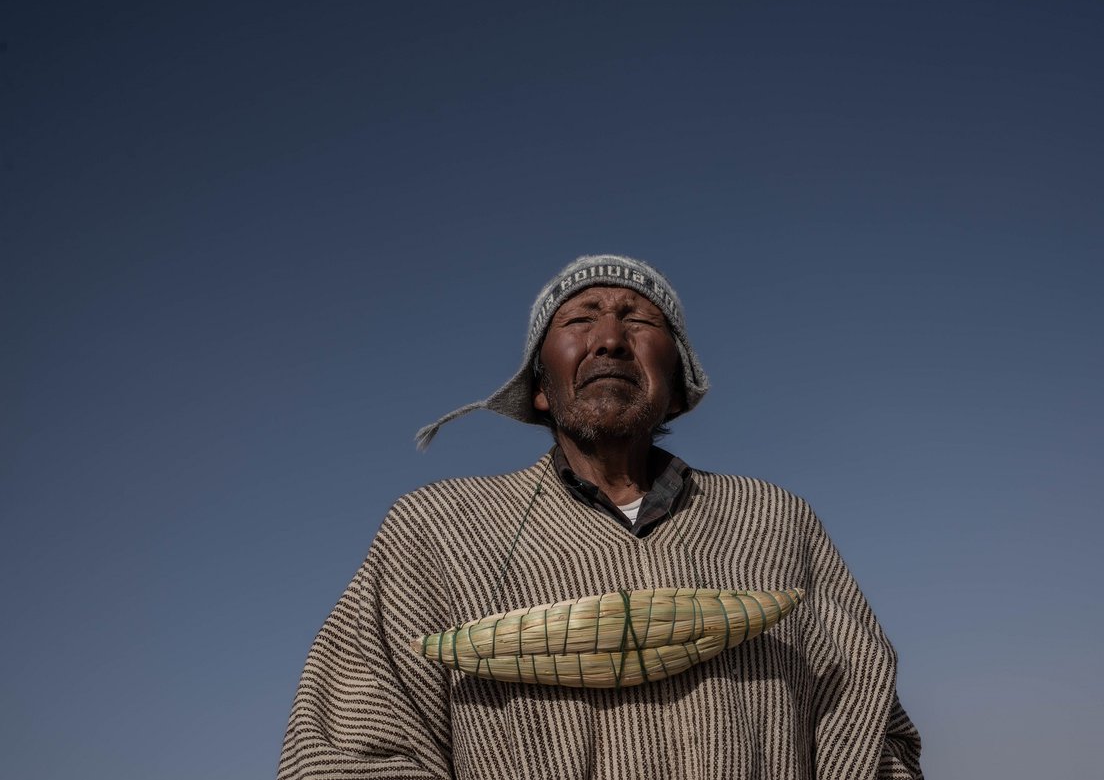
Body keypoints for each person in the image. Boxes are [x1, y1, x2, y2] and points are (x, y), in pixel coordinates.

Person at [277, 255, 922, 780]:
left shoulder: (775, 521)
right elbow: (347, 752)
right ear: (538, 384)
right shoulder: (437, 529)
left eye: (640, 322)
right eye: (580, 320)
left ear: (676, 382)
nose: (610, 339)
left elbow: (871, 732)